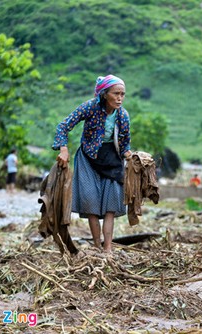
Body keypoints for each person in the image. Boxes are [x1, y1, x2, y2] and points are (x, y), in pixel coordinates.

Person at [52, 74, 132, 253]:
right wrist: (63, 150)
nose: (120, 98)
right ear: (104, 94)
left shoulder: (123, 116)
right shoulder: (90, 107)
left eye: (123, 94)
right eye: (116, 94)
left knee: (111, 205)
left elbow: (125, 143)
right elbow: (63, 126)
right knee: (91, 203)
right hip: (88, 158)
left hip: (112, 160)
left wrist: (131, 156)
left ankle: (108, 249)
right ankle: (97, 246)